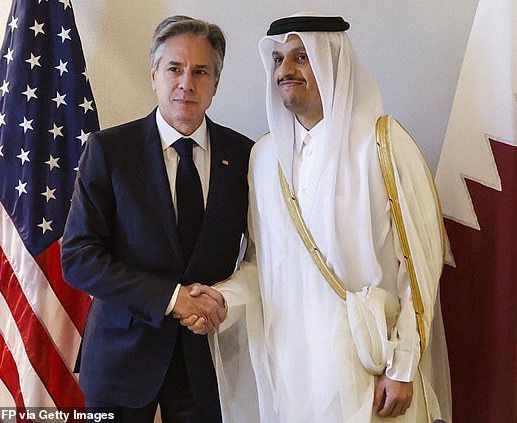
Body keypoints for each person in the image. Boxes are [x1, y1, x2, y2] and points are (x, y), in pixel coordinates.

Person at [182, 14, 451, 422]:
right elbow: (263, 266)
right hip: (293, 372)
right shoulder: (266, 157)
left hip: (370, 367)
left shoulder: (383, 145)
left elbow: (419, 268)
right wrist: (222, 299)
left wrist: (403, 366)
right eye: (277, 60)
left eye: (300, 57)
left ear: (333, 62)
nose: (285, 70)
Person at [61, 15, 252, 423]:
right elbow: (78, 258)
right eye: (174, 69)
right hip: (120, 362)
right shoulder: (110, 151)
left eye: (201, 71)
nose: (187, 83)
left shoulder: (244, 157)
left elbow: (260, 255)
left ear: (216, 83)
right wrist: (172, 299)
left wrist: (223, 300)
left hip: (207, 362)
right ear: (153, 74)